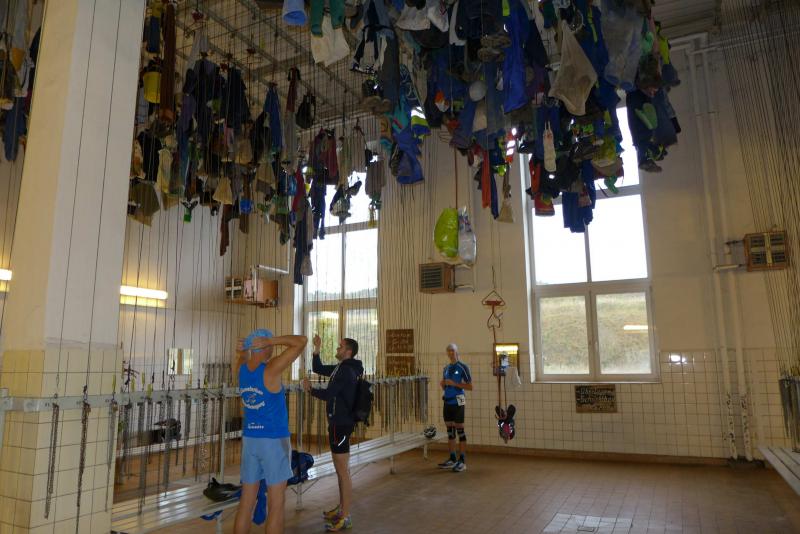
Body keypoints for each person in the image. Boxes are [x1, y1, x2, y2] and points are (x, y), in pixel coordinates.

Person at [233, 329, 307, 534]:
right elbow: (301, 341)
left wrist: (243, 352)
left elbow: (243, 358)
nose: (273, 349)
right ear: (264, 346)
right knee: (276, 504)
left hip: (250, 441)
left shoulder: (241, 369)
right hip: (273, 441)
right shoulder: (271, 369)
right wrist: (272, 340)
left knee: (246, 503)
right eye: (270, 346)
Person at [302, 335, 363, 532]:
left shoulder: (346, 370)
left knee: (342, 470)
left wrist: (310, 390)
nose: (337, 348)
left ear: (348, 352)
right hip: (338, 423)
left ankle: (345, 516)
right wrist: (317, 348)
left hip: (341, 424)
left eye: (340, 346)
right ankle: (342, 508)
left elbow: (329, 394)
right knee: (340, 469)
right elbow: (319, 368)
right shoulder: (341, 368)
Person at [438, 343, 472, 472]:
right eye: (449, 351)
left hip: (459, 400)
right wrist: (443, 385)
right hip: (447, 401)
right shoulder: (446, 368)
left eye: (452, 350)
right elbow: (445, 386)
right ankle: (452, 458)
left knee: (460, 431)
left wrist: (455, 384)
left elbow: (470, 386)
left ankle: (462, 461)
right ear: (447, 353)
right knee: (450, 431)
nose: (451, 353)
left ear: (457, 352)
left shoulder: (463, 367)